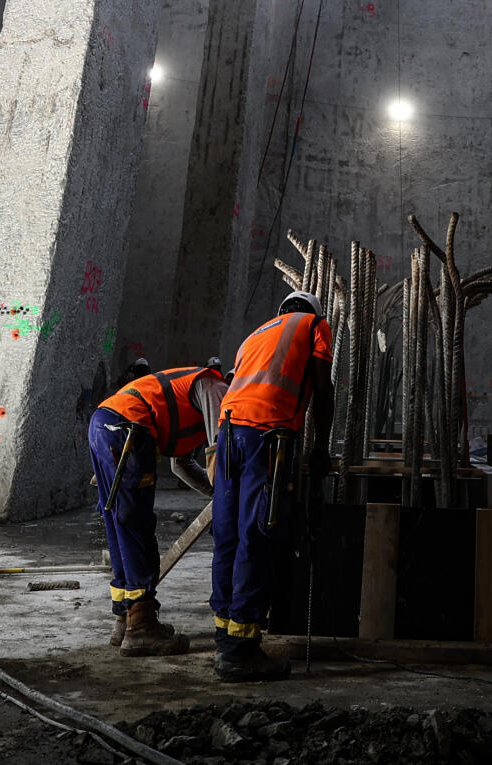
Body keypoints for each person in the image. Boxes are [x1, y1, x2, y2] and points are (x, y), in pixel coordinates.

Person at [210, 290, 332, 682]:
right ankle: (242, 649)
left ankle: (224, 634)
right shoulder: (314, 325)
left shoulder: (255, 333)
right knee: (256, 534)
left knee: (227, 534)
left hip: (229, 434)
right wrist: (320, 448)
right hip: (269, 436)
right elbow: (323, 388)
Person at [90, 359, 228, 654]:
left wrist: (215, 491)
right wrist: (229, 493)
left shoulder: (190, 397)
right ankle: (140, 627)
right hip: (129, 427)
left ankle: (123, 618)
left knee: (119, 523)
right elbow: (220, 447)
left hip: (106, 423)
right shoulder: (215, 386)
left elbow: (182, 464)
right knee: (136, 525)